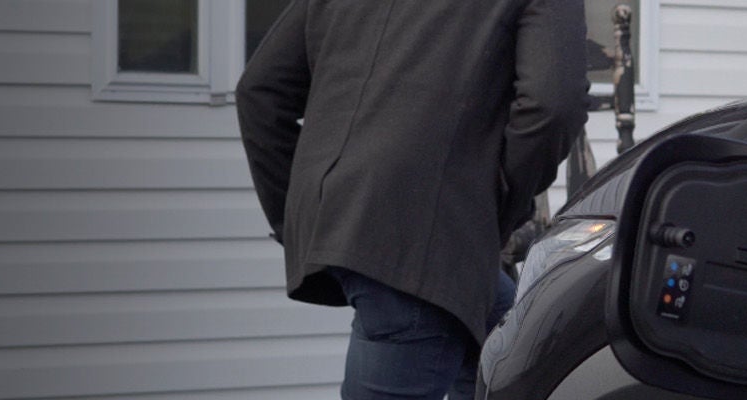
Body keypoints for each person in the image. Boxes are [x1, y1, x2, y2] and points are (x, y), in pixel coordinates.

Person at [235, 0, 589, 398]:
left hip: (400, 236)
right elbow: (554, 105)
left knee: (517, 349)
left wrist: (307, 216)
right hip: (427, 240)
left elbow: (259, 91)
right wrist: (496, 204)